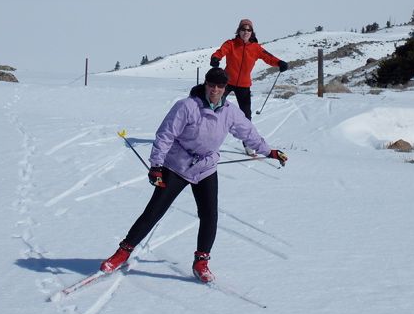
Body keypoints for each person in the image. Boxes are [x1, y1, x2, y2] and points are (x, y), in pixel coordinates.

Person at [100, 68, 288, 283]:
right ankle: (123, 252)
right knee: (154, 211)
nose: (215, 90)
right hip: (177, 165)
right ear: (205, 84)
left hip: (205, 167)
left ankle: (201, 261)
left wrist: (269, 151)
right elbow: (165, 135)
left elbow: (248, 133)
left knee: (209, 215)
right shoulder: (186, 106)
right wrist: (156, 166)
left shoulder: (230, 111)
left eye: (220, 86)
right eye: (211, 85)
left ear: (226, 89)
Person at [210, 19, 289, 155]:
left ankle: (248, 144)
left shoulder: (256, 48)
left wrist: (280, 63)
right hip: (227, 82)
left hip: (244, 85)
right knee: (214, 108)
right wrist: (215, 58)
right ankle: (207, 140)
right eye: (243, 29)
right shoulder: (231, 44)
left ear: (252, 32)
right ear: (239, 31)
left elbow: (268, 57)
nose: (245, 32)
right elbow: (220, 51)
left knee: (246, 117)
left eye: (248, 30)